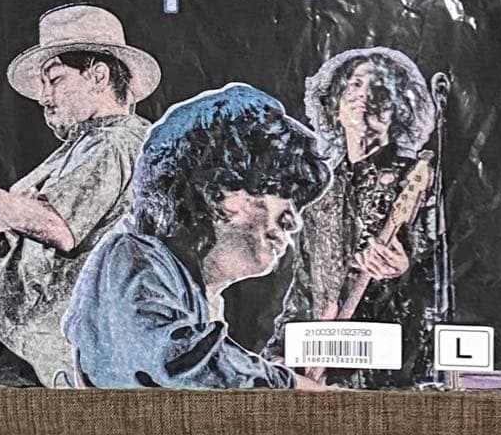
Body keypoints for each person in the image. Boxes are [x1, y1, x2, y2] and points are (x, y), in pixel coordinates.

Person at [0, 4, 159, 387]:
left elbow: (57, 227)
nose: (43, 96)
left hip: (35, 347)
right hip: (29, 344)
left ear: (98, 76)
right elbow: (1, 243)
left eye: (54, 79)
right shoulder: (87, 147)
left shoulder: (114, 141)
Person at [62, 83, 332, 390]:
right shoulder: (131, 257)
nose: (293, 220)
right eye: (280, 190)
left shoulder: (179, 283)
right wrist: (289, 385)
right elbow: (182, 363)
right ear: (216, 188)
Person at [265, 48, 438, 388]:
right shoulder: (322, 189)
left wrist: (405, 269)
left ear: (399, 110)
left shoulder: (417, 178)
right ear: (335, 105)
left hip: (394, 362)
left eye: (380, 89)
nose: (364, 95)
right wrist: (280, 353)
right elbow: (305, 285)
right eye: (355, 84)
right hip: (322, 364)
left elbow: (447, 274)